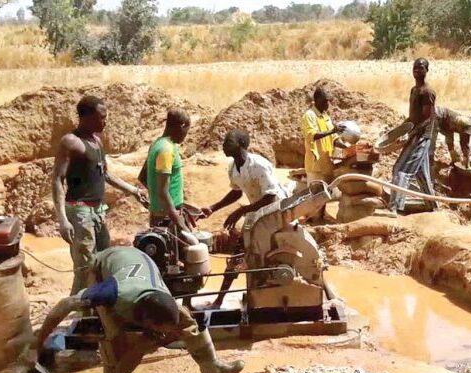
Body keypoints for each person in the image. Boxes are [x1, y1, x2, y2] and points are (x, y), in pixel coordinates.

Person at [33, 246, 244, 373]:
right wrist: (38, 344)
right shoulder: (111, 292)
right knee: (115, 344)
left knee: (187, 321)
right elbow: (65, 305)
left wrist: (151, 339)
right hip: (103, 267)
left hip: (142, 266)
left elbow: (167, 321)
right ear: (146, 320)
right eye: (158, 331)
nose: (163, 337)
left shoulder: (162, 298)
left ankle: (211, 366)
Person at [52, 96, 146, 296]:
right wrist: (62, 220)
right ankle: (80, 313)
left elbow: (106, 175)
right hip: (79, 212)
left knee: (103, 261)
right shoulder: (71, 142)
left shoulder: (96, 141)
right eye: (101, 117)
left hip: (98, 211)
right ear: (85, 117)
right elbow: (58, 180)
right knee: (85, 267)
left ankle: (97, 308)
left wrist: (133, 191)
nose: (105, 121)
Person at [201, 129, 290, 309]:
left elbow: (272, 197)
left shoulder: (258, 165)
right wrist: (213, 208)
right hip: (259, 215)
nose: (224, 145)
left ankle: (222, 300)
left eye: (228, 142)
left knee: (242, 252)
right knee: (242, 254)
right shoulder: (234, 167)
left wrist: (241, 211)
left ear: (241, 145)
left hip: (276, 213)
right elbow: (237, 191)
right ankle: (244, 298)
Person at [388, 58, 437, 215]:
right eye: (415, 67)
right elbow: (413, 117)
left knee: (401, 170)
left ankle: (395, 207)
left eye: (421, 67)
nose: (417, 70)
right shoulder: (414, 90)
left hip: (421, 137)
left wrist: (410, 134)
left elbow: (427, 119)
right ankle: (432, 206)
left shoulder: (427, 92)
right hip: (413, 134)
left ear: (426, 70)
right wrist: (400, 130)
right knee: (421, 173)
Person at [138, 108, 195, 232]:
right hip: (168, 220)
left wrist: (158, 202)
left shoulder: (157, 144)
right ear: (182, 126)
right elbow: (163, 190)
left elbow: (143, 178)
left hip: (164, 214)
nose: (185, 135)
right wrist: (178, 221)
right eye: (187, 130)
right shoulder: (166, 150)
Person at [301, 86, 348, 221]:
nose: (328, 104)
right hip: (315, 165)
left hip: (326, 163)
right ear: (316, 100)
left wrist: (347, 147)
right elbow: (312, 135)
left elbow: (333, 139)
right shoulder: (309, 116)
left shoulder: (326, 117)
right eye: (325, 101)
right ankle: (313, 223)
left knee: (325, 197)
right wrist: (333, 131)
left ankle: (319, 221)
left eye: (329, 101)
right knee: (316, 199)